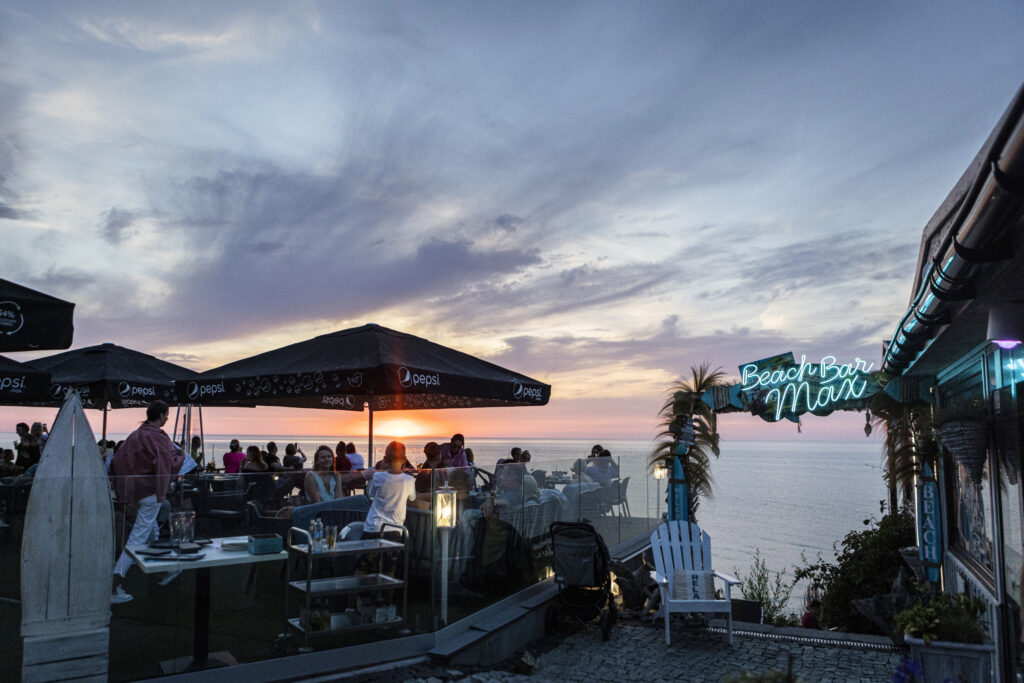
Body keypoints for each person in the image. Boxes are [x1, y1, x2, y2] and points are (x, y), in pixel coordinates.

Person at [109, 400, 185, 604]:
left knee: (152, 533)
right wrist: (181, 457)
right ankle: (113, 586)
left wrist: (125, 489)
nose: (167, 418)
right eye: (166, 415)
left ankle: (162, 570)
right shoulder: (158, 437)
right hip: (150, 492)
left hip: (135, 492)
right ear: (160, 415)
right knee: (137, 539)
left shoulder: (135, 435)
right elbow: (166, 463)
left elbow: (117, 461)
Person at [364, 441, 416, 536]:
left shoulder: (377, 476)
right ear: (404, 459)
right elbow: (412, 498)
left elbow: (371, 495)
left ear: (384, 459)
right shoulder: (409, 480)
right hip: (394, 530)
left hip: (372, 527)